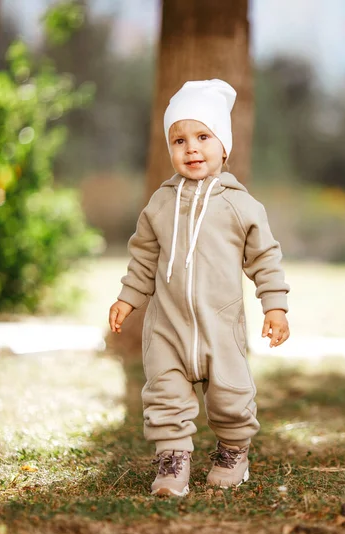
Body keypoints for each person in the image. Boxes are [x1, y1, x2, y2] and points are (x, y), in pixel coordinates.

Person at [109, 79, 290, 497]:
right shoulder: (158, 204)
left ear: (224, 146)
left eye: (203, 137)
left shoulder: (240, 206)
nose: (191, 148)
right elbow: (143, 258)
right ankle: (172, 462)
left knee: (230, 397)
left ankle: (232, 450)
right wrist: (127, 298)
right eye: (179, 140)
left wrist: (275, 307)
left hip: (220, 325)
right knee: (164, 393)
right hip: (167, 327)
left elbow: (265, 259)